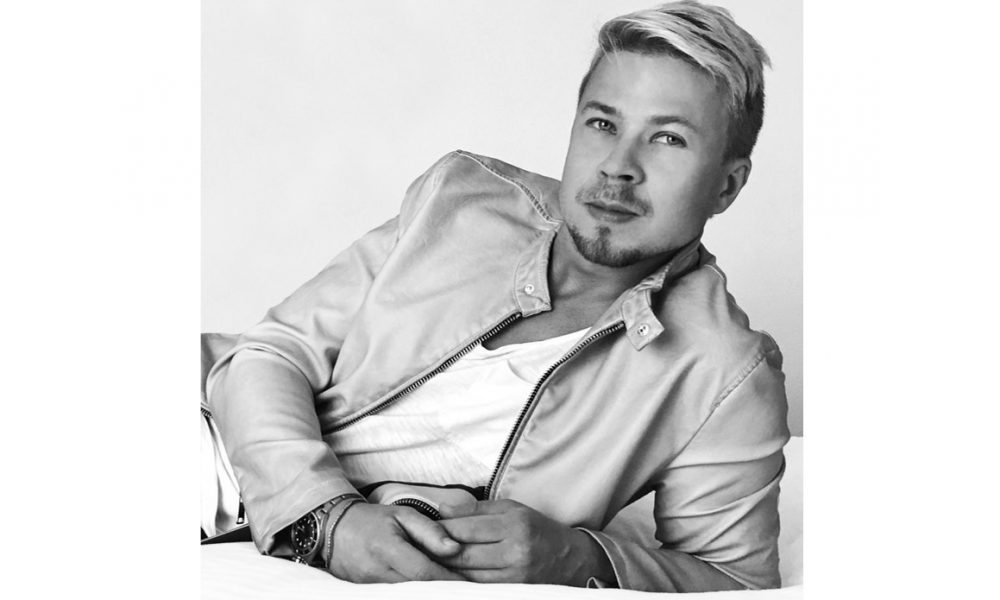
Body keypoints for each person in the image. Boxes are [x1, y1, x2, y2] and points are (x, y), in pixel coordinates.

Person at [204, 0, 790, 592]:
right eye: (603, 124)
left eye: (667, 138)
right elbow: (269, 354)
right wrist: (327, 519)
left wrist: (580, 558)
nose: (619, 167)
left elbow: (735, 578)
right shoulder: (458, 201)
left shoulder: (724, 373)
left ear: (727, 185)